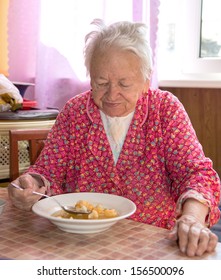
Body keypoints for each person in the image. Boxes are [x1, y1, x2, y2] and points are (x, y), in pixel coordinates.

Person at [8, 19, 220, 257]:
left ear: (146, 79)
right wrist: (31, 185)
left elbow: (196, 173)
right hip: (80, 241)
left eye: (124, 83)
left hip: (153, 240)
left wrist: (192, 218)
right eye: (101, 83)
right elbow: (48, 171)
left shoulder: (165, 110)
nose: (112, 94)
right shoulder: (75, 111)